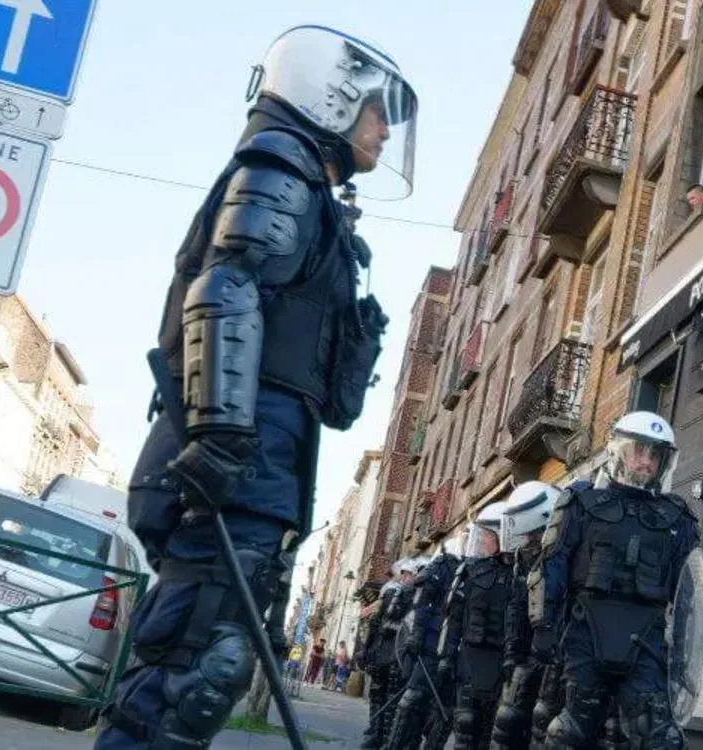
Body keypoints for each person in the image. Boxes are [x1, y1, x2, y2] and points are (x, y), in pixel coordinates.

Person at [95, 25, 416, 750]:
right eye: (376, 112)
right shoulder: (281, 168)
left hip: (261, 469)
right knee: (193, 670)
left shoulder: (317, 199)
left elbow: (332, 405)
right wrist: (220, 439)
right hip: (236, 462)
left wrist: (356, 338)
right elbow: (226, 290)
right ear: (330, 97)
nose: (384, 131)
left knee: (201, 665)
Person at [530, 412, 699, 749]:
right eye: (639, 450)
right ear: (619, 450)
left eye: (655, 455)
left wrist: (682, 653)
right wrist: (543, 627)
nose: (646, 462)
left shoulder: (677, 517)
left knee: (660, 739)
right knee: (570, 733)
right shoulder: (581, 501)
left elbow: (687, 595)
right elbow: (551, 566)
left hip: (647, 641)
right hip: (586, 633)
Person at [490, 482, 559, 750]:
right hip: (528, 653)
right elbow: (517, 608)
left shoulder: (566, 553)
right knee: (507, 723)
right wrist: (512, 651)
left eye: (532, 534)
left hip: (556, 656)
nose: (527, 541)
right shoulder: (525, 558)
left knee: (542, 729)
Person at [438, 503, 513, 750]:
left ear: (502, 537)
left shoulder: (518, 574)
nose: (480, 541)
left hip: (501, 663)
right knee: (465, 726)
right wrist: (447, 657)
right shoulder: (469, 571)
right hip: (470, 660)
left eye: (486, 536)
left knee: (492, 733)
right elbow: (454, 619)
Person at [385, 547, 460, 750]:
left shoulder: (461, 572)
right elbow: (413, 619)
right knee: (411, 702)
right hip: (425, 650)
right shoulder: (429, 580)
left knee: (441, 711)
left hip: (447, 652)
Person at [360, 559, 416, 749]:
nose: (407, 578)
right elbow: (375, 624)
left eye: (410, 574)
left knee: (391, 699)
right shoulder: (391, 593)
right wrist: (367, 650)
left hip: (398, 656)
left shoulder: (417, 598)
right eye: (405, 574)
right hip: (383, 652)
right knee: (378, 694)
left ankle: (386, 739)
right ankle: (377, 733)